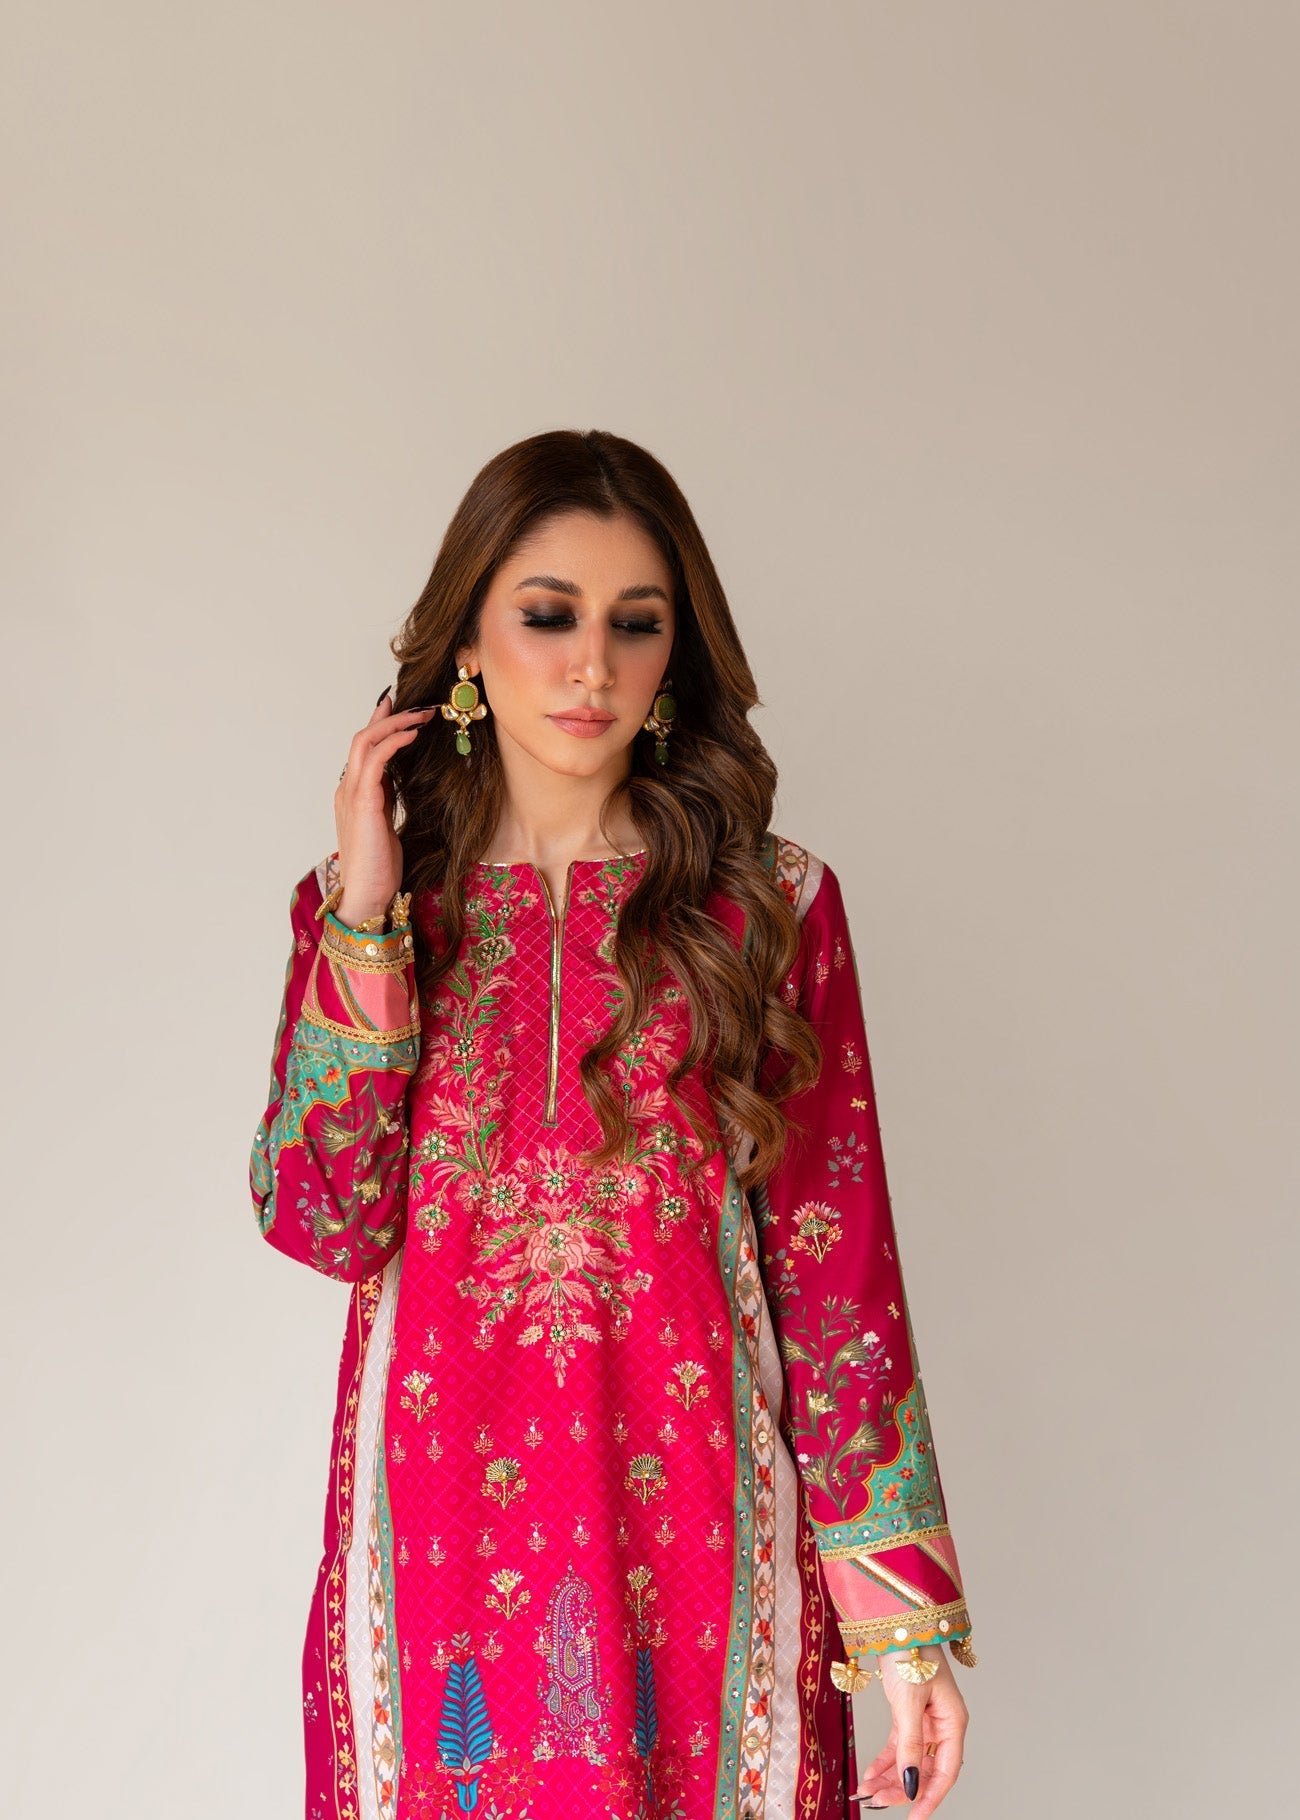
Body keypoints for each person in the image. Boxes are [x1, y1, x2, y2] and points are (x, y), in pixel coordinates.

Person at [249, 429, 975, 1820]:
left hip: (704, 1530)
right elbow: (325, 1221)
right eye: (549, 616)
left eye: (635, 625)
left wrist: (902, 1627)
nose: (592, 665)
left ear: (673, 656)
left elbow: (839, 1275)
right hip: (440, 1542)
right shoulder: (377, 909)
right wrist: (364, 911)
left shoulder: (767, 907)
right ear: (469, 641)